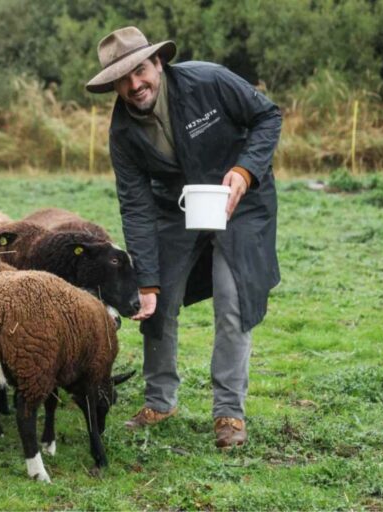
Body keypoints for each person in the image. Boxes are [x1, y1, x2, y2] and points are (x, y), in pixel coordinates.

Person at [86, 27, 281, 448]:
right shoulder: (123, 132)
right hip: (177, 208)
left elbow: (268, 117)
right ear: (113, 86)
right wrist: (147, 279)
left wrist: (246, 170)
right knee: (155, 299)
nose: (135, 85)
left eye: (140, 70)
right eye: (123, 79)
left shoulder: (209, 81)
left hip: (241, 202)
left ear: (158, 63)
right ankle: (160, 401)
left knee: (232, 299)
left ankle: (229, 413)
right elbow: (136, 206)